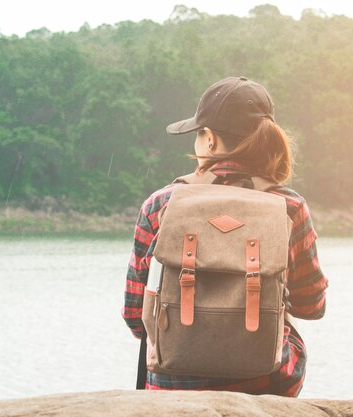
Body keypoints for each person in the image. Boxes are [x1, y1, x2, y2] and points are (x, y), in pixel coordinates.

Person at [122, 76, 328, 396]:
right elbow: (311, 305)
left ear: (210, 141)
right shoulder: (289, 207)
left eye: (198, 134)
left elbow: (135, 316)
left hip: (171, 386)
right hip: (265, 383)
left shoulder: (160, 205)